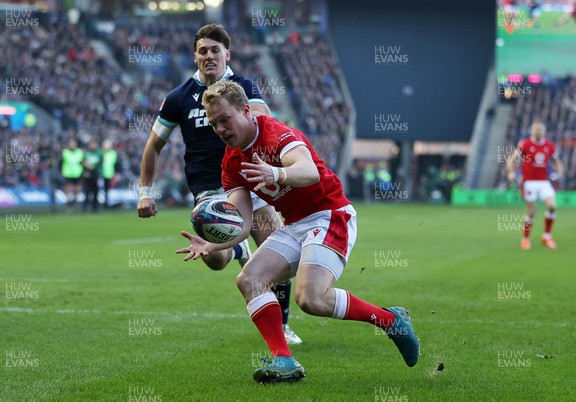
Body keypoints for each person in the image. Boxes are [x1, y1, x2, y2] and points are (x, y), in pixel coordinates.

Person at [177, 80, 420, 383]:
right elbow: (241, 220)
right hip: (295, 224)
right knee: (249, 279)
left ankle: (389, 319)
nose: (220, 129)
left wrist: (276, 172)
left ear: (245, 110)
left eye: (225, 119)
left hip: (329, 214)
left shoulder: (275, 133)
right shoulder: (232, 162)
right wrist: (214, 245)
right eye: (213, 124)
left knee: (311, 298)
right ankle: (284, 360)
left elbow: (309, 171)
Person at [136, 23, 301, 344]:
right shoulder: (178, 98)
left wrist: (279, 172)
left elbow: (265, 123)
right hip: (210, 188)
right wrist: (145, 192)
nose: (209, 56)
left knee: (282, 258)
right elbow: (153, 145)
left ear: (228, 54)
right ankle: (237, 245)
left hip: (253, 181)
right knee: (216, 260)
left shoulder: (244, 87)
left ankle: (281, 325)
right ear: (195, 56)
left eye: (215, 50)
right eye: (203, 51)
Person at [507, 119, 563, 250]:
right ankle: (525, 239)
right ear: (531, 130)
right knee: (532, 211)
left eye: (540, 129)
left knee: (552, 207)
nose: (538, 132)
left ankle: (546, 236)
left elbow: (556, 161)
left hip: (544, 182)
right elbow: (512, 160)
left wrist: (559, 172)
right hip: (529, 182)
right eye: (536, 129)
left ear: (544, 131)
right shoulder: (525, 144)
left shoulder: (549, 146)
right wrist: (511, 173)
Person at [61, 139, 84, 210]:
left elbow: (82, 161)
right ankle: (69, 202)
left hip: (78, 173)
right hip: (68, 174)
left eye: (74, 144)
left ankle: (74, 201)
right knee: (69, 189)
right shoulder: (65, 152)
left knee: (77, 189)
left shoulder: (80, 152)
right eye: (71, 144)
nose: (73, 145)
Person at [82, 139, 103, 212]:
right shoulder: (86, 154)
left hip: (96, 175)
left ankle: (95, 208)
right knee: (87, 192)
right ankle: (85, 207)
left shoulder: (99, 154)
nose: (93, 146)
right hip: (88, 176)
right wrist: (88, 166)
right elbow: (83, 162)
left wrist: (90, 166)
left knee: (95, 192)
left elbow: (99, 164)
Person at [101, 139, 118, 208]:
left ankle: (107, 203)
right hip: (101, 174)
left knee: (108, 189)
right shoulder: (101, 153)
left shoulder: (113, 153)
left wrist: (117, 173)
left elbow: (116, 164)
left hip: (110, 174)